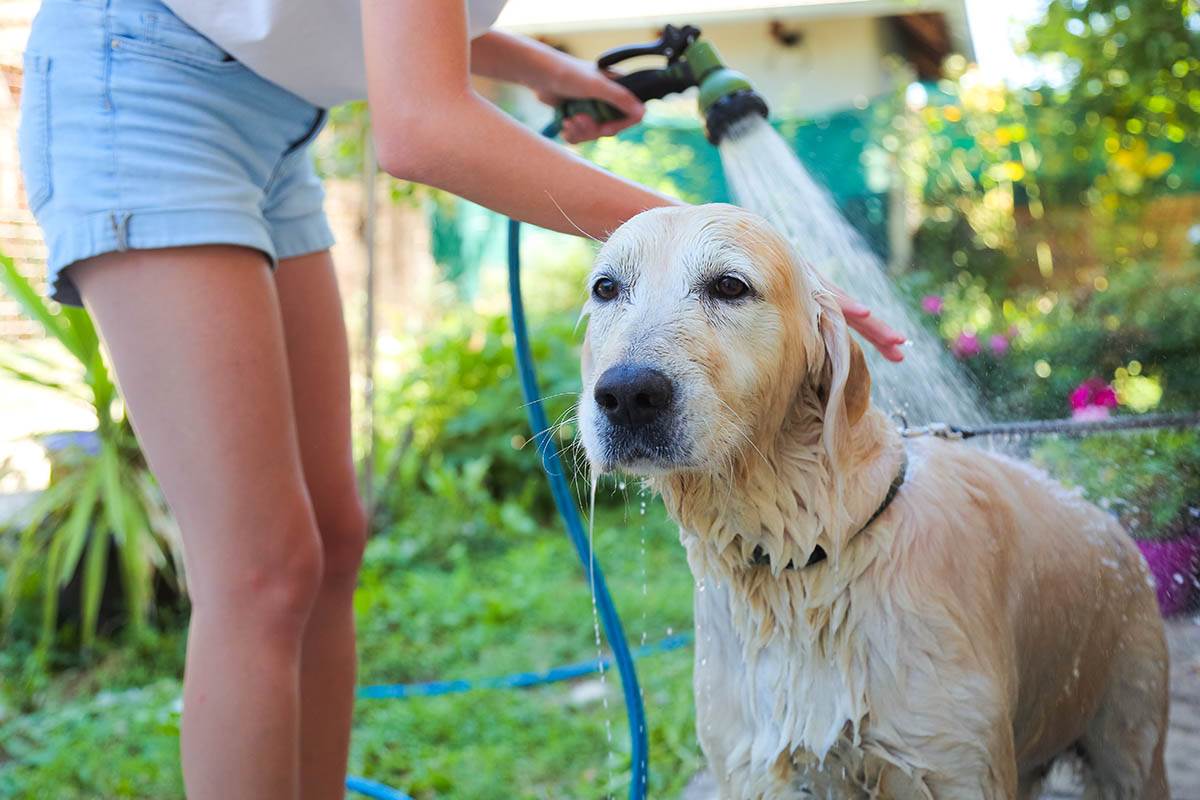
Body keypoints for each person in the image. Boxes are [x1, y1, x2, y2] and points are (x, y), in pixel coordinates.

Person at [17, 1, 907, 798]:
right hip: (140, 89)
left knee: (330, 541)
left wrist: (537, 68)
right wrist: (700, 240)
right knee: (260, 570)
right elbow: (421, 128)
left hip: (273, 119)